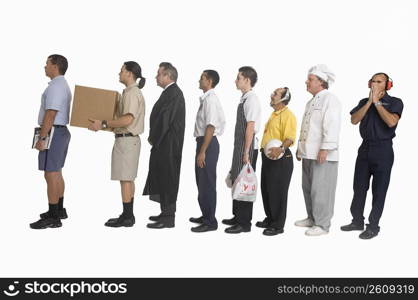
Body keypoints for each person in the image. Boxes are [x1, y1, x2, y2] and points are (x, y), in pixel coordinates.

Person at [341, 73, 403, 239]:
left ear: (387, 85)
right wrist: (369, 102)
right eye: (373, 81)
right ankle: (357, 221)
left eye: (379, 81)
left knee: (379, 190)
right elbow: (354, 120)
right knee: (359, 187)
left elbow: (391, 122)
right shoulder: (363, 102)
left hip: (383, 149)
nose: (375, 84)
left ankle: (373, 226)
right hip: (365, 148)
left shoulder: (395, 102)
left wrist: (377, 102)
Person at [88, 61, 146, 227]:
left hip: (127, 140)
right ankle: (128, 214)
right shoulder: (130, 92)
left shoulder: (131, 93)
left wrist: (103, 124)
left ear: (129, 73)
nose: (118, 73)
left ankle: (127, 217)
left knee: (125, 179)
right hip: (128, 140)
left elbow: (128, 119)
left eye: (121, 70)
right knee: (127, 179)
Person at [295, 64, 341, 236]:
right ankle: (312, 218)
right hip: (308, 153)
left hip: (323, 154)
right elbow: (307, 128)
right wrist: (300, 149)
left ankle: (322, 225)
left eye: (311, 79)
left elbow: (332, 125)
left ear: (321, 82)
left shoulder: (330, 99)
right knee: (307, 187)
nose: (307, 82)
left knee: (321, 190)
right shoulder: (311, 102)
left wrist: (326, 149)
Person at [30, 54, 72, 229]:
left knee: (51, 174)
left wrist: (43, 137)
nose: (44, 66)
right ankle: (59, 210)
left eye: (47, 63)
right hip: (60, 132)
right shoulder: (62, 84)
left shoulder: (56, 86)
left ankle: (54, 217)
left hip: (53, 132)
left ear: (55, 66)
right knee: (57, 172)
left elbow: (51, 113)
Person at [143, 62, 185, 229]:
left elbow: (165, 120)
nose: (156, 76)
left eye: (159, 74)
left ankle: (168, 217)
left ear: (168, 76)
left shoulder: (174, 93)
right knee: (162, 177)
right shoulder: (169, 93)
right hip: (164, 144)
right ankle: (164, 212)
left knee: (168, 178)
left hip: (168, 145)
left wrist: (153, 138)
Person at [223, 66, 261, 234]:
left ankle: (244, 223)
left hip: (247, 148)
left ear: (247, 80)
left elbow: (250, 127)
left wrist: (246, 152)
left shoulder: (251, 99)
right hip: (240, 147)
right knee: (237, 181)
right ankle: (237, 216)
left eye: (238, 78)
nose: (235, 80)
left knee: (245, 183)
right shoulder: (244, 99)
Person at [256, 87, 296, 236]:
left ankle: (278, 225)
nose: (272, 95)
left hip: (280, 158)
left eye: (275, 93)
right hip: (268, 158)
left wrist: (280, 149)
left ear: (283, 99)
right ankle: (270, 218)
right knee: (266, 190)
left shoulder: (288, 115)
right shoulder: (274, 114)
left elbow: (290, 137)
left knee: (277, 192)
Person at [189, 70, 226, 233]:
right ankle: (205, 215)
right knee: (201, 182)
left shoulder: (210, 100)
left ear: (209, 81)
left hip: (208, 144)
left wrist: (203, 151)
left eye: (202, 78)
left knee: (207, 183)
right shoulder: (206, 99)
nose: (199, 80)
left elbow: (211, 126)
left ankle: (210, 222)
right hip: (204, 143)